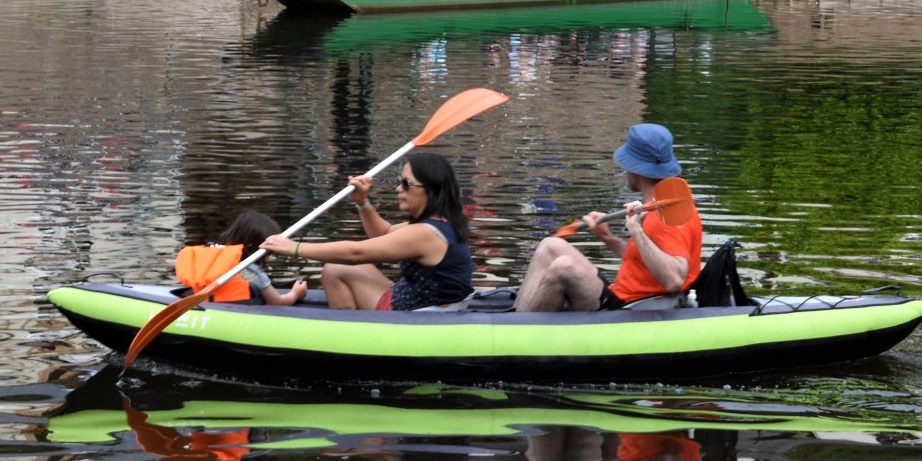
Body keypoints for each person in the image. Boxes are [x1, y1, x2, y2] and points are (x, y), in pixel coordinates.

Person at [514, 124, 702, 311]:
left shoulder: (668, 213)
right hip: (620, 293)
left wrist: (636, 230)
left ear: (636, 169)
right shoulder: (659, 202)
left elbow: (675, 280)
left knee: (563, 267)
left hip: (631, 307)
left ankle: (520, 332)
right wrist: (608, 238)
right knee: (550, 245)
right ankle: (513, 318)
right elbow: (643, 265)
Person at [261, 153, 474, 312]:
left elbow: (355, 253)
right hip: (414, 299)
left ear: (430, 190)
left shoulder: (425, 234)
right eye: (399, 182)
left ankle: (347, 341)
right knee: (339, 267)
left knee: (335, 269)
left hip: (416, 314)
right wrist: (363, 202)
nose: (398, 189)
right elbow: (384, 233)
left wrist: (294, 247)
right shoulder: (439, 224)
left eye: (406, 183)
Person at [214, 210, 308, 305]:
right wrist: (295, 293)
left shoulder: (214, 256)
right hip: (234, 312)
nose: (269, 259)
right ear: (251, 248)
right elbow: (277, 302)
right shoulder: (249, 272)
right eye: (268, 254)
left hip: (207, 304)